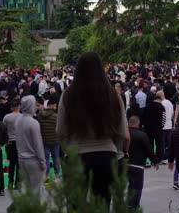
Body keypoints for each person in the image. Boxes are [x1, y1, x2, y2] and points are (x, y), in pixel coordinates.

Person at [57, 52, 127, 206]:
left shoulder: (68, 94)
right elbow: (123, 132)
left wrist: (69, 150)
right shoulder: (112, 95)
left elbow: (60, 131)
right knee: (102, 204)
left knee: (75, 205)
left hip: (77, 154)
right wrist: (118, 149)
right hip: (106, 155)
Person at [15, 95, 46, 200]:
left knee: (26, 187)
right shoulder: (33, 123)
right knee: (37, 190)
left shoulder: (18, 120)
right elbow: (38, 145)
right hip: (33, 160)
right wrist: (42, 161)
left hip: (21, 159)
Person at [126, 115, 157, 210]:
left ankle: (128, 204)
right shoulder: (142, 135)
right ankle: (134, 206)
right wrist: (154, 161)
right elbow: (149, 150)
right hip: (138, 165)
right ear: (138, 124)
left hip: (125, 164)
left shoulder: (125, 134)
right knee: (137, 187)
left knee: (130, 185)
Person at [38, 98, 61, 179]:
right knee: (56, 158)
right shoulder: (56, 116)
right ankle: (57, 175)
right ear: (52, 106)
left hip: (44, 141)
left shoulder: (40, 115)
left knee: (46, 159)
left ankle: (46, 175)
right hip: (55, 141)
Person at [3, 99, 22, 189]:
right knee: (19, 164)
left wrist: (6, 141)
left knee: (11, 163)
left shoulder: (6, 117)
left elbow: (4, 130)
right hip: (20, 142)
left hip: (10, 141)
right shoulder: (22, 117)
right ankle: (17, 183)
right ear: (19, 107)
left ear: (11, 107)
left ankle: (10, 183)